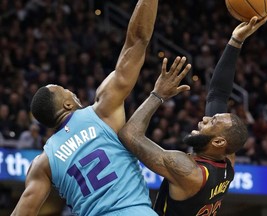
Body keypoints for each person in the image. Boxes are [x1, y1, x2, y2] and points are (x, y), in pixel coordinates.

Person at [11, 0, 159, 215]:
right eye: (65, 90)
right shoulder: (103, 111)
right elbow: (136, 41)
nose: (72, 91)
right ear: (68, 104)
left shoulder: (43, 164)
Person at [118, 13, 267, 216]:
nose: (205, 118)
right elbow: (218, 94)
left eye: (212, 121)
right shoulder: (227, 163)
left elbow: (129, 135)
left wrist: (158, 95)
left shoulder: (189, 171)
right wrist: (236, 40)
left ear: (218, 142)